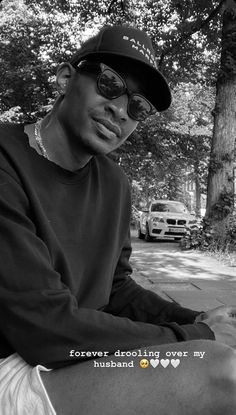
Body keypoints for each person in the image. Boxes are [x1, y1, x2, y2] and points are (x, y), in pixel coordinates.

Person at [0, 25, 235, 415]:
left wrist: (197, 317)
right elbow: (44, 329)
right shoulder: (6, 163)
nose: (121, 110)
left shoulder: (113, 182)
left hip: (78, 353)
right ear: (65, 78)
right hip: (15, 362)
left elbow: (117, 289)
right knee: (215, 370)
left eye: (138, 107)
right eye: (109, 84)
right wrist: (197, 335)